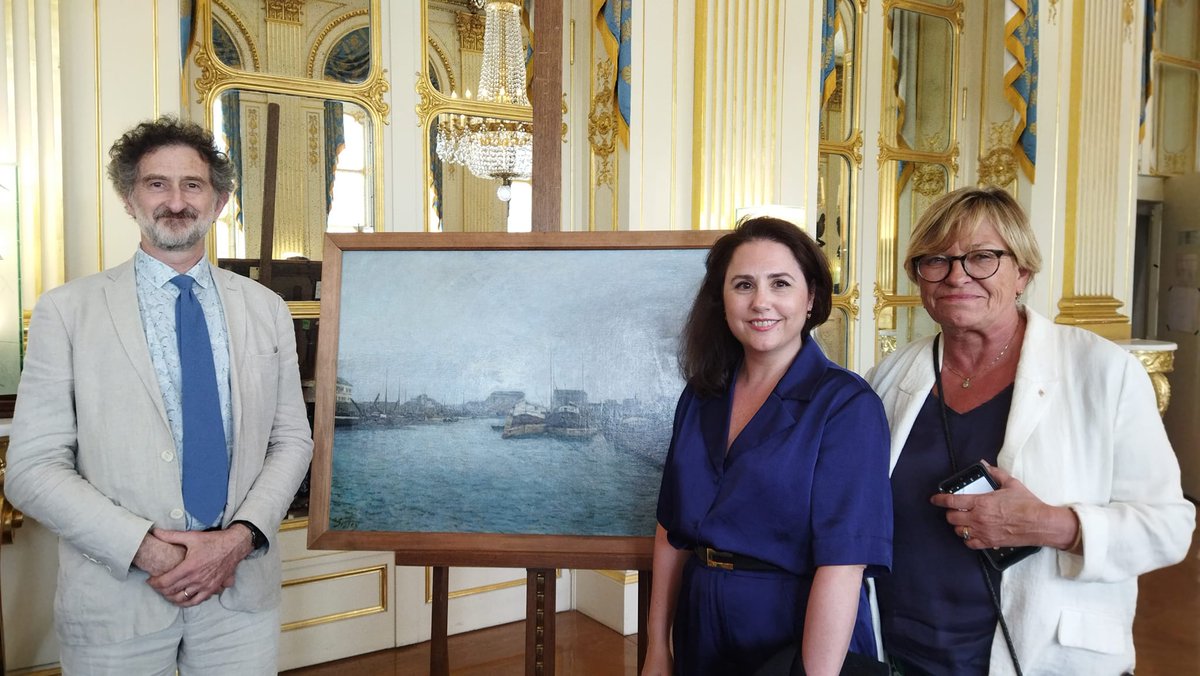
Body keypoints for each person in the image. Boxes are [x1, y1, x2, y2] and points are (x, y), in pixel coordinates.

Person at [6, 116, 313, 674]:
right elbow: (31, 468)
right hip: (117, 598)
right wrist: (150, 551)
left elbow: (291, 439)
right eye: (157, 184)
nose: (176, 200)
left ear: (219, 200)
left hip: (238, 592)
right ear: (130, 198)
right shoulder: (67, 311)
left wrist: (235, 543)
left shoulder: (266, 309)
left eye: (192, 185)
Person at [867, 186, 1196, 675]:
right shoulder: (890, 375)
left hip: (1044, 654)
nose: (957, 276)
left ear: (1022, 272)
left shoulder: (1102, 371)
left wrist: (1048, 524)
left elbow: (1169, 528)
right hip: (904, 652)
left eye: (982, 258)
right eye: (935, 260)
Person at [642, 217, 893, 676]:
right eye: (743, 285)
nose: (761, 302)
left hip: (798, 631)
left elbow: (843, 565)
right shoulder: (700, 396)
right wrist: (657, 647)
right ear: (721, 299)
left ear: (811, 296)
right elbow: (669, 531)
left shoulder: (847, 405)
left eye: (780, 283)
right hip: (700, 621)